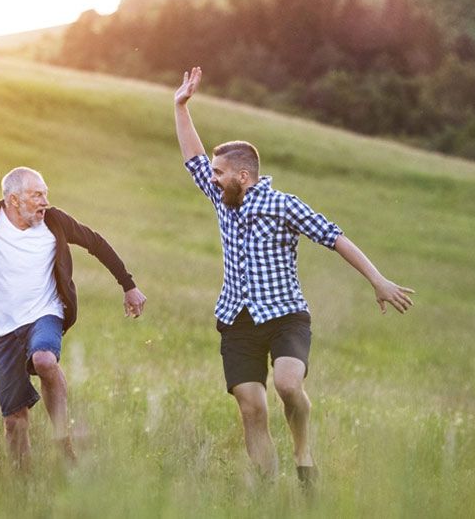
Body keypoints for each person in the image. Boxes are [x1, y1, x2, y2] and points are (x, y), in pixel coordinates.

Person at [171, 67, 415, 489]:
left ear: (242, 177)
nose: (211, 178)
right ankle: (267, 491)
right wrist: (180, 106)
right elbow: (192, 157)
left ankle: (304, 456)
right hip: (237, 318)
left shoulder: (286, 205)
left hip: (285, 315)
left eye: (218, 173)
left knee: (286, 384)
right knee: (251, 406)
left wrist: (378, 279)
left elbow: (334, 236)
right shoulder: (223, 198)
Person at [0, 166, 147, 468]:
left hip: (45, 313)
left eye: (45, 194)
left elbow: (96, 243)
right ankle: (23, 484)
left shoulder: (54, 222)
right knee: (15, 420)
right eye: (36, 195)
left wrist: (128, 285)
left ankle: (61, 439)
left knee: (44, 360)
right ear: (13, 200)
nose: (44, 201)